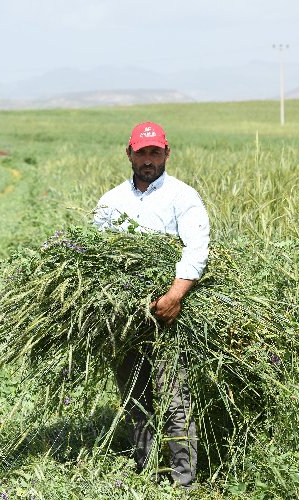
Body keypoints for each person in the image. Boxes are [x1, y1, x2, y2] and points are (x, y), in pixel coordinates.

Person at [93, 121, 210, 489]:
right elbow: (97, 252)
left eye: (154, 152)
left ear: (166, 153)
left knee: (174, 398)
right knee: (133, 396)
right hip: (126, 316)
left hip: (169, 314)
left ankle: (184, 481)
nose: (148, 160)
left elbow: (196, 249)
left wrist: (174, 295)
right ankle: (146, 472)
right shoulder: (111, 201)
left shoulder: (183, 197)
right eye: (141, 153)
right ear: (129, 153)